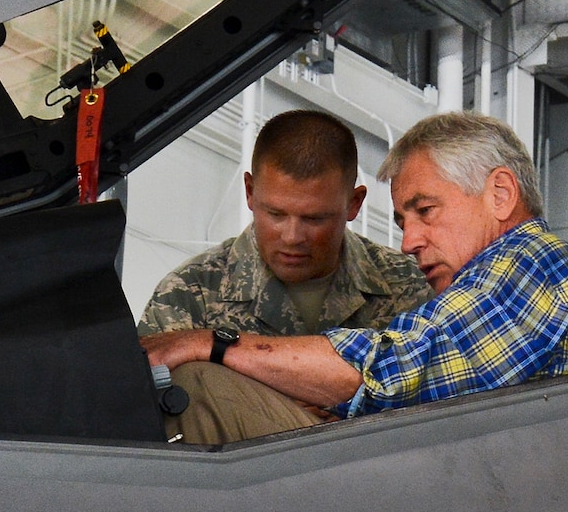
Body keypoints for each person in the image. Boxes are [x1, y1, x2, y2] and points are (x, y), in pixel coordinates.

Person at [142, 111, 568, 443]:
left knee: (199, 384)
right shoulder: (190, 288)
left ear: (500, 194)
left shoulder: (534, 268)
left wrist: (217, 344)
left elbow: (391, 371)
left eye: (425, 210)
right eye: (403, 221)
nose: (409, 242)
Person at [139, 109, 430, 342]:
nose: (292, 237)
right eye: (276, 214)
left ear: (354, 204)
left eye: (314, 219)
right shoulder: (191, 295)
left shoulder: (408, 287)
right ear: (250, 192)